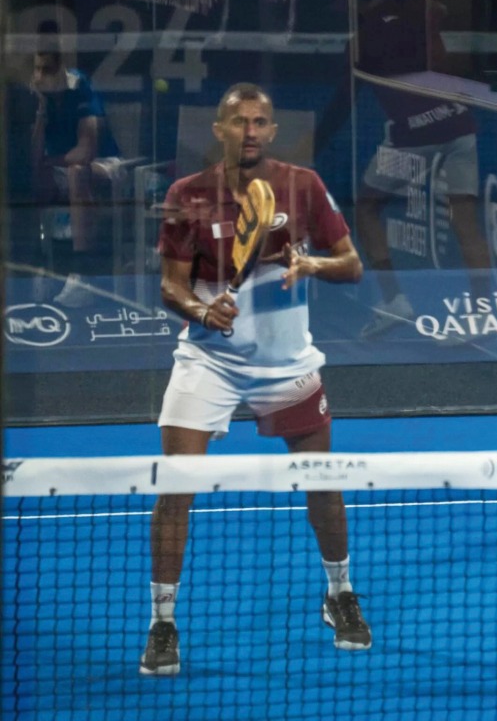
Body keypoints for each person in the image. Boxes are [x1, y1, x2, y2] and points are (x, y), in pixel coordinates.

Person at [142, 83, 369, 676]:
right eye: (237, 120)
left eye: (260, 121)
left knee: (322, 483)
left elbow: (352, 265)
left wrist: (310, 262)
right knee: (176, 491)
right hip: (208, 360)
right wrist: (200, 309)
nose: (249, 130)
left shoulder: (304, 185)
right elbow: (170, 284)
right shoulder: (185, 195)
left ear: (272, 129)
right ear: (217, 129)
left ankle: (339, 592)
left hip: (286, 361)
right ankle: (162, 622)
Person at [311, 0, 492, 339]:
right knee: (465, 221)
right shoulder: (420, 20)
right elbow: (445, 65)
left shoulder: (359, 43)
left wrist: (312, 149)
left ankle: (395, 301)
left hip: (413, 138)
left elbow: (342, 105)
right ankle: (483, 316)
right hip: (460, 125)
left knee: (366, 207)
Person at [29, 50, 124, 306]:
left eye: (46, 70)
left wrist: (49, 161)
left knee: (77, 172)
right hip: (61, 165)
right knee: (37, 177)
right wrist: (39, 112)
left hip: (105, 165)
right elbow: (35, 158)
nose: (39, 77)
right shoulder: (36, 95)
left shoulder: (79, 84)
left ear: (62, 70)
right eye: (36, 70)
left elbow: (86, 151)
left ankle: (82, 272)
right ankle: (43, 263)